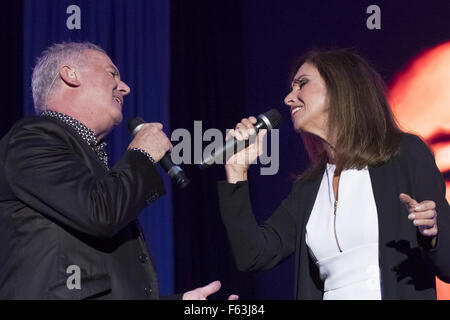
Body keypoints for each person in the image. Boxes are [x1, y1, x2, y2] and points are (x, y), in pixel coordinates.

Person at [0, 42, 237, 300]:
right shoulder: (31, 139)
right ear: (71, 75)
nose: (125, 87)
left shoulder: (89, 162)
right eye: (112, 73)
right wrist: (142, 153)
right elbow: (98, 213)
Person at [217, 49, 450, 299]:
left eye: (302, 84)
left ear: (339, 87)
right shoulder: (309, 189)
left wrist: (432, 235)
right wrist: (237, 169)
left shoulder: (404, 155)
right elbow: (253, 255)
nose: (288, 98)